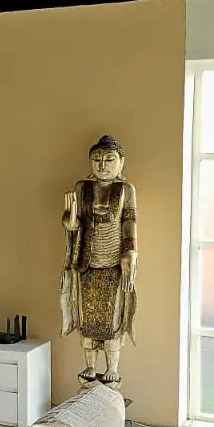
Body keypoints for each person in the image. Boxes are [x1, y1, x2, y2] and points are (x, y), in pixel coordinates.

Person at [60, 135, 138, 388]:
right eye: (97, 160)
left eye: (109, 160)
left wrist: (131, 251)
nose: (102, 165)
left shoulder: (125, 190)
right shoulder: (82, 188)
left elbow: (129, 222)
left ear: (121, 162)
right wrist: (70, 220)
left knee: (112, 316)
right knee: (87, 317)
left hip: (113, 263)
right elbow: (74, 224)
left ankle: (112, 368)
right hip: (87, 262)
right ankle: (90, 366)